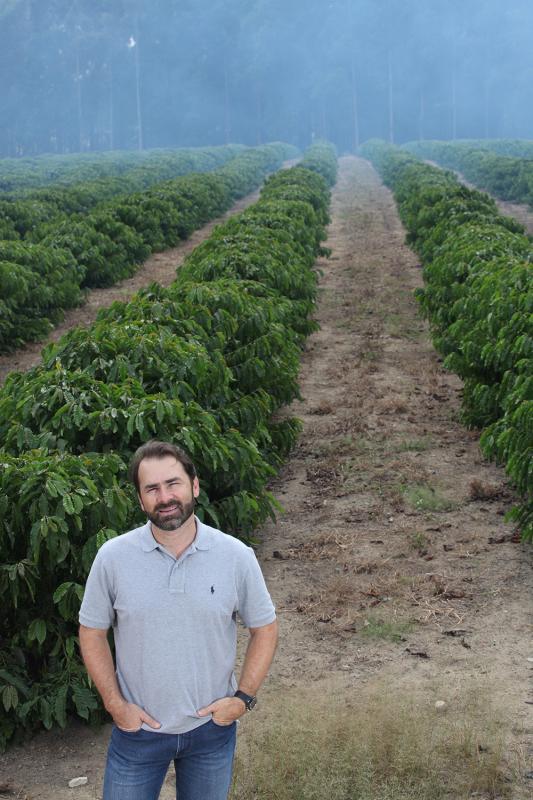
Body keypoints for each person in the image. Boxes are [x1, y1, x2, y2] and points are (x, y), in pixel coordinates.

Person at [79, 440, 278, 800]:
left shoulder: (235, 556)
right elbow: (92, 631)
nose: (165, 496)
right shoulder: (113, 558)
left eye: (173, 484)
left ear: (194, 486)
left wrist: (242, 699)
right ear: (140, 500)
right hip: (137, 734)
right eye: (152, 489)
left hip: (211, 732)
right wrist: (115, 704)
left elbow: (264, 628)